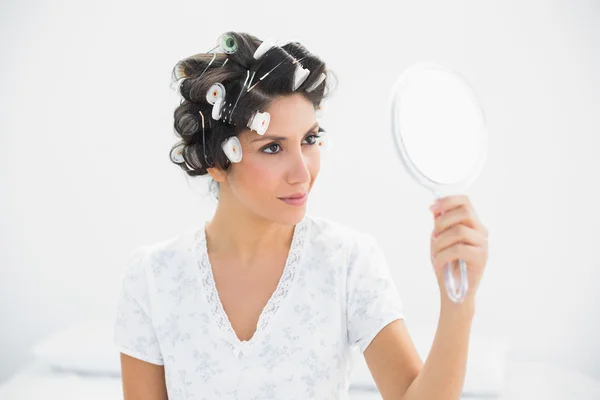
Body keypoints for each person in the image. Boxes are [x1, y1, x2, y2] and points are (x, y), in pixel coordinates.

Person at [113, 31, 489, 400]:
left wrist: (459, 305)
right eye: (273, 147)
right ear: (215, 160)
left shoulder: (347, 262)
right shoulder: (153, 278)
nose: (303, 172)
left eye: (309, 139)